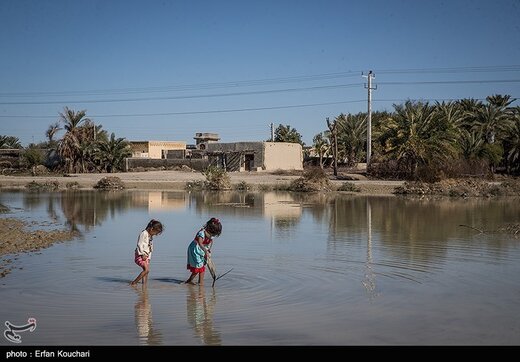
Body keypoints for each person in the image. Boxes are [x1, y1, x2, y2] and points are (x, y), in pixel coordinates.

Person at [185, 218, 222, 285]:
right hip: (195, 249)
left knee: (202, 266)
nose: (213, 235)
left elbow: (211, 241)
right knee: (198, 267)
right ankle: (189, 281)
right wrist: (205, 250)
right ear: (209, 228)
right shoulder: (201, 233)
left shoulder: (211, 235)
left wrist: (209, 250)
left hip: (203, 250)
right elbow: (200, 243)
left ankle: (200, 282)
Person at [131, 219, 164, 285]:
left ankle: (144, 285)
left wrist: (148, 257)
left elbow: (149, 247)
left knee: (146, 271)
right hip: (140, 255)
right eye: (156, 233)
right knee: (146, 270)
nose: (156, 234)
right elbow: (139, 244)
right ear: (151, 229)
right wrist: (142, 254)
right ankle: (134, 283)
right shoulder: (144, 233)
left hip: (146, 257)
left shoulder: (150, 236)